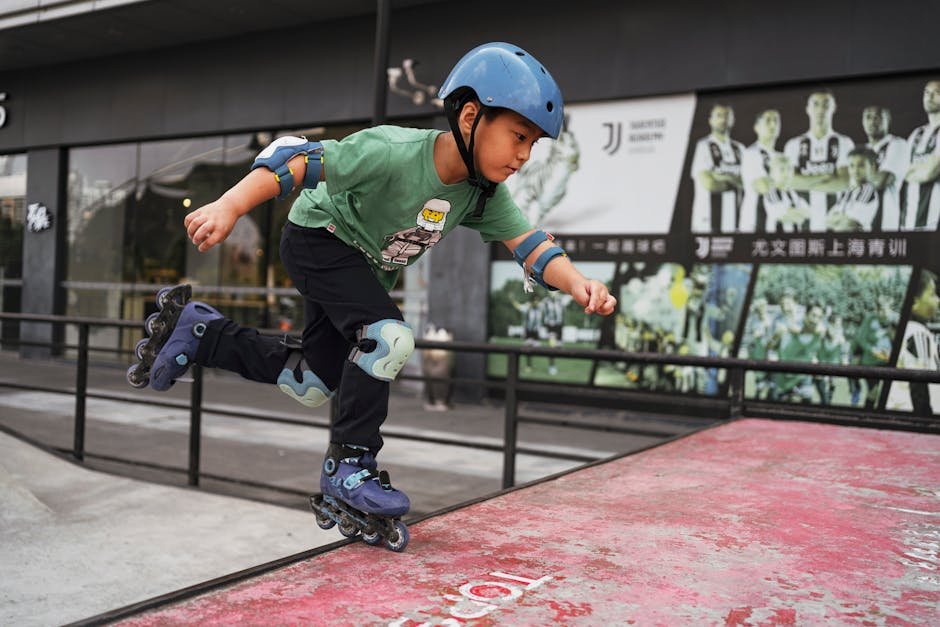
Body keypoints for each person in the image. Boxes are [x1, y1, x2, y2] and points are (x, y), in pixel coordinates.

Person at [138, 42, 617, 543]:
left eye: (533, 145)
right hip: (317, 237)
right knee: (388, 337)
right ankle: (350, 465)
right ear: (471, 116)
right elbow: (295, 158)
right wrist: (230, 205)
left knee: (313, 382)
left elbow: (533, 247)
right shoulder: (394, 152)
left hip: (359, 269)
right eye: (518, 136)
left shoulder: (481, 194)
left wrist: (579, 283)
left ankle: (202, 333)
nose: (524, 155)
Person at [782, 90, 854, 231]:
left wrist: (805, 181)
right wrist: (827, 177)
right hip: (801, 225)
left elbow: (844, 183)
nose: (820, 109)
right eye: (815, 104)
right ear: (808, 109)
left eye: (826, 104)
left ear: (834, 108)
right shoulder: (794, 144)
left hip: (835, 224)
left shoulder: (844, 142)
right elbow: (790, 182)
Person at [888, 271, 939, 414]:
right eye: (932, 294)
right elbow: (919, 386)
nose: (937, 300)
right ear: (914, 303)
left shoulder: (909, 330)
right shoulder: (918, 333)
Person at [690, 104, 745, 233]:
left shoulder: (740, 149)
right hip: (707, 222)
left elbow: (748, 182)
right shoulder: (703, 146)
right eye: (719, 115)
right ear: (710, 120)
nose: (723, 119)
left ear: (733, 120)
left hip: (736, 222)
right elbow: (709, 183)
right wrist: (735, 181)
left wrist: (720, 176)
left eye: (727, 115)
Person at [899, 80, 940, 231]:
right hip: (908, 219)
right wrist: (924, 166)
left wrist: (911, 170)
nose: (930, 97)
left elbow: (931, 173)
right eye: (927, 93)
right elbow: (901, 171)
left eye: (937, 93)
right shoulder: (917, 133)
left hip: (933, 220)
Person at [862, 105, 908, 230]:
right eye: (868, 117)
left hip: (885, 224)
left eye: (877, 117)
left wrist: (860, 174)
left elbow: (880, 182)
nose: (872, 121)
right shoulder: (861, 149)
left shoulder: (898, 144)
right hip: (859, 223)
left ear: (888, 119)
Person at [826, 147, 894, 232]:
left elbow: (849, 224)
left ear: (872, 167)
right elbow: (827, 220)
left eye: (861, 165)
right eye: (851, 166)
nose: (855, 170)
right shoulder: (849, 192)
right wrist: (839, 219)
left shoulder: (868, 191)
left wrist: (838, 219)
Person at [739, 109, 781, 233]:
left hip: (776, 222)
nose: (773, 125)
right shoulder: (750, 153)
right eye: (768, 121)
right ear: (757, 127)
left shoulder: (780, 156)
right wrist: (787, 180)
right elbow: (763, 186)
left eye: (776, 121)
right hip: (755, 222)